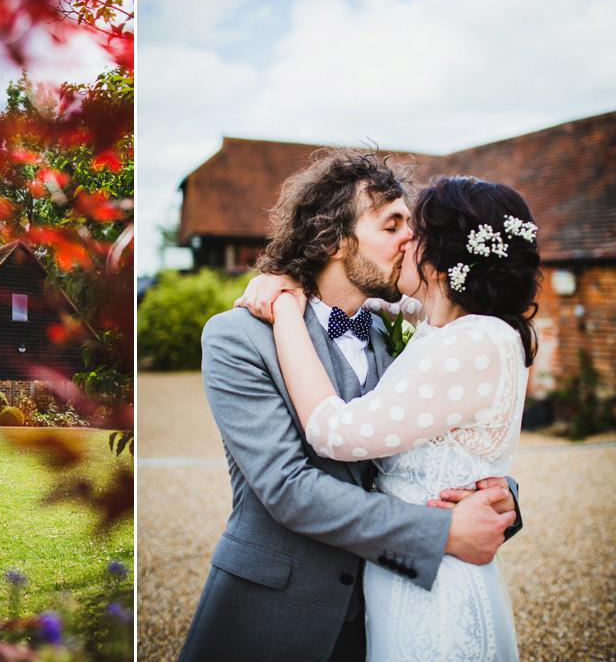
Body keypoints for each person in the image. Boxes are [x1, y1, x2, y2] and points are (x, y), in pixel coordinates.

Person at [177, 150, 521, 662]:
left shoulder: (400, 332)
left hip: (380, 615)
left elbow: (433, 441)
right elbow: (288, 488)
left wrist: (499, 496)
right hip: (275, 613)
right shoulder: (237, 339)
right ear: (334, 239)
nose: (412, 238)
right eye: (393, 224)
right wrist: (441, 531)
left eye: (412, 223)